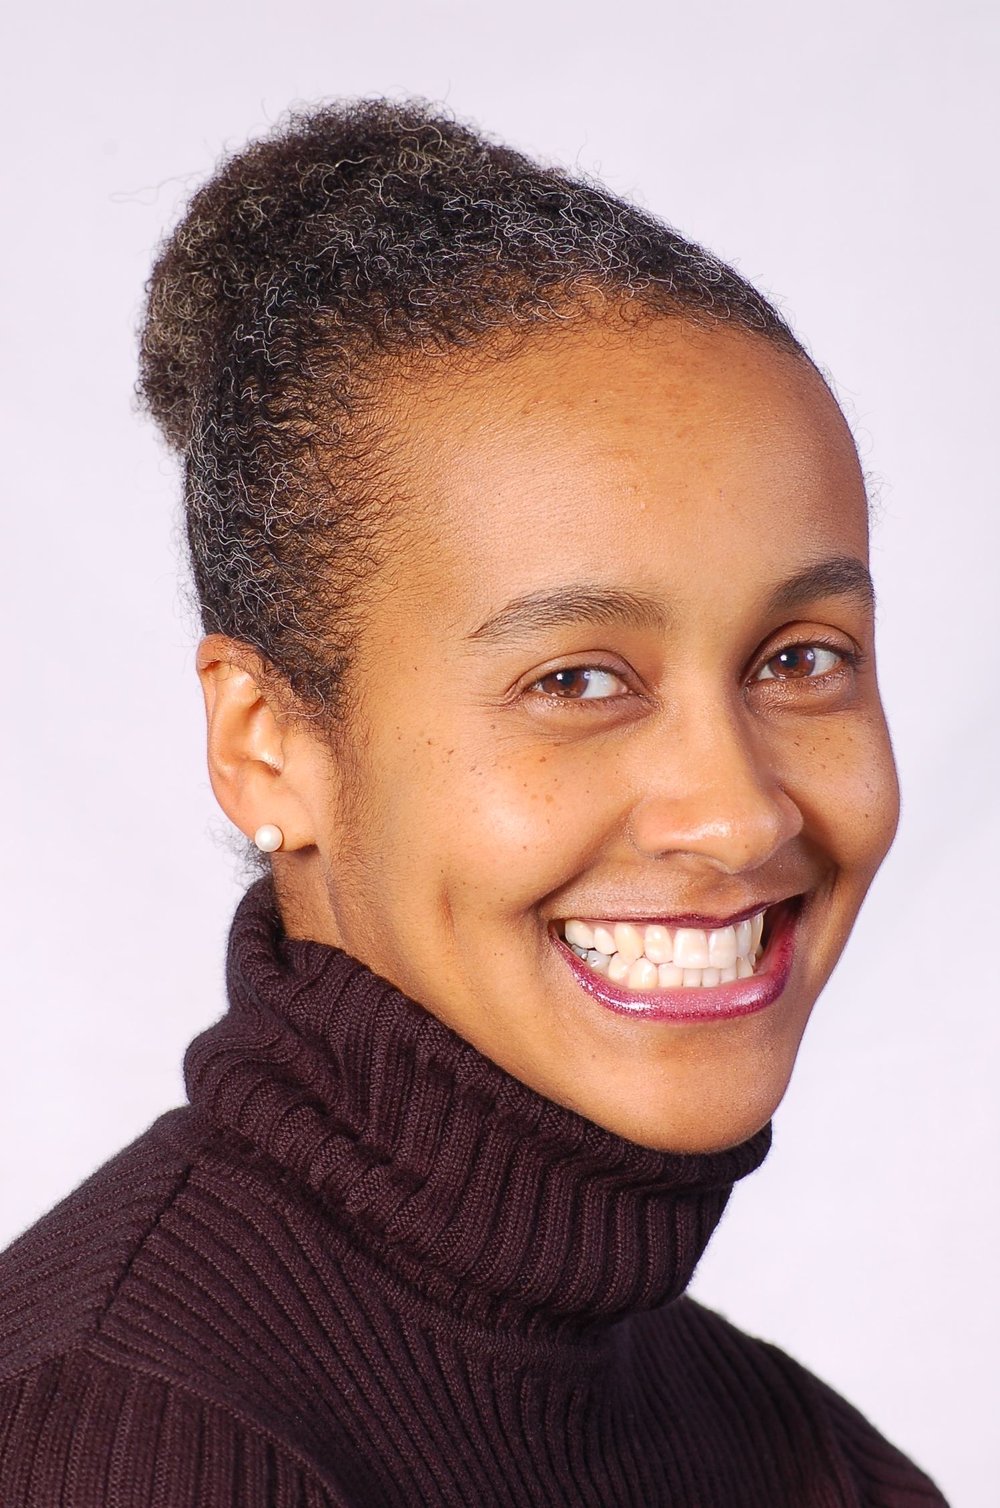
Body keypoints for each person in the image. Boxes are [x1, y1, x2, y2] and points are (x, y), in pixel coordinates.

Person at [0, 99, 947, 1506]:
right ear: (267, 746)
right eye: (576, 679)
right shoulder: (129, 1436)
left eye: (800, 659)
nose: (739, 817)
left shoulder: (790, 1448)